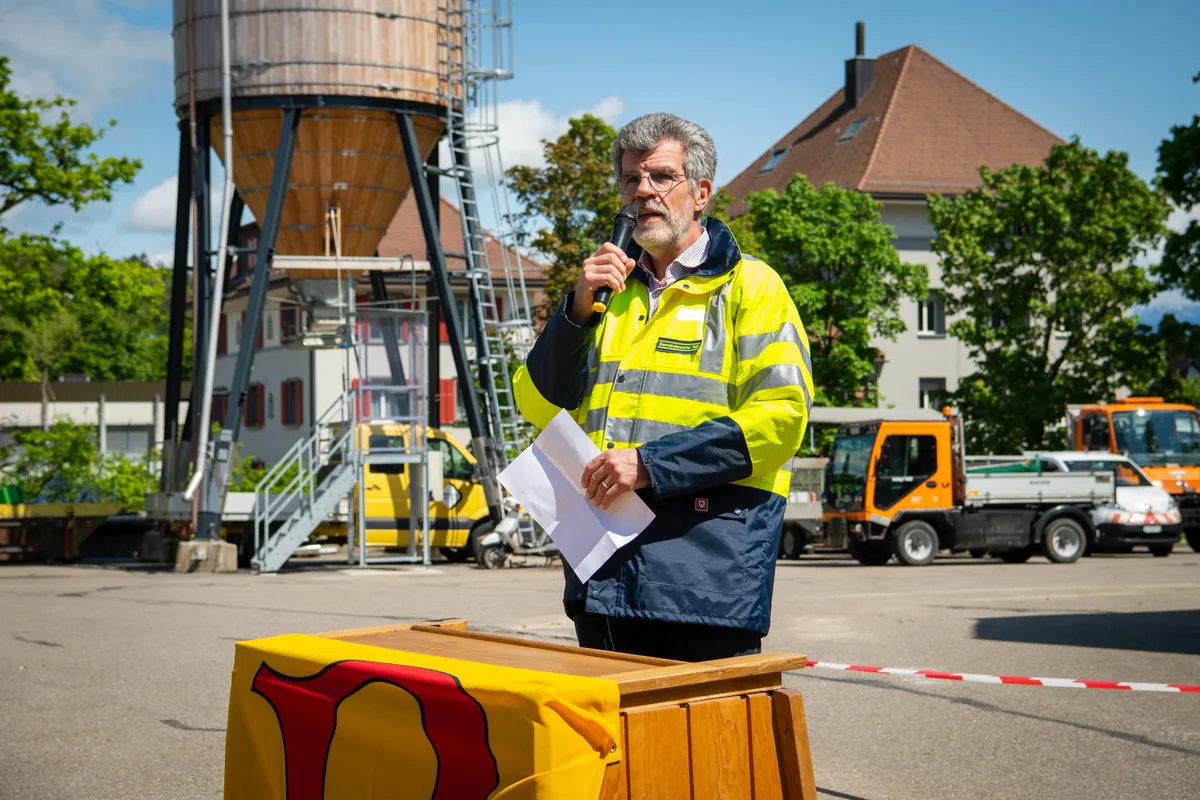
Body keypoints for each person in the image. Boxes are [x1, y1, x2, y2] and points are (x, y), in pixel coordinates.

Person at [512, 113, 813, 661]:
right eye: (630, 179)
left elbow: (782, 419)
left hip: (705, 572)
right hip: (602, 569)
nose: (642, 192)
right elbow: (533, 404)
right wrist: (575, 314)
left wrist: (650, 464)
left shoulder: (752, 287)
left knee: (706, 741)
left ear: (701, 193)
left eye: (661, 177)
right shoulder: (606, 293)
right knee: (615, 742)